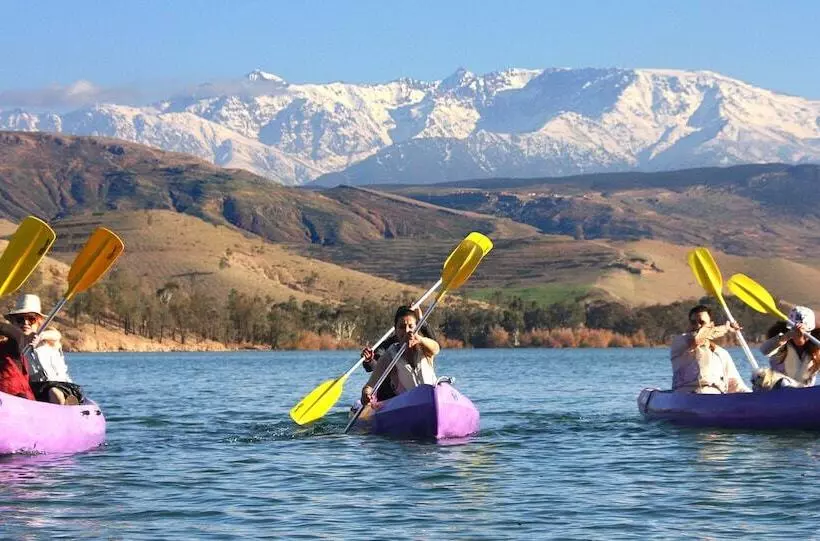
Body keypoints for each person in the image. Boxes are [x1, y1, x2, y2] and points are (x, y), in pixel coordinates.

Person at [6, 294, 83, 405]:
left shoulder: (49, 338)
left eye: (31, 319)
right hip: (35, 389)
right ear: (14, 323)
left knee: (54, 392)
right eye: (20, 320)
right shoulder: (13, 345)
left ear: (38, 321)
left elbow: (56, 335)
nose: (25, 323)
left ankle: (66, 407)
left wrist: (40, 336)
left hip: (61, 385)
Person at [360, 305, 441, 406]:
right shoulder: (389, 353)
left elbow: (436, 348)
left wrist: (419, 338)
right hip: (403, 403)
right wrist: (366, 393)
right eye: (402, 327)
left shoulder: (425, 347)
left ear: (417, 327)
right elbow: (370, 384)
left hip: (432, 399)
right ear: (396, 329)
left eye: (411, 326)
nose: (407, 330)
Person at [669, 304, 750, 393]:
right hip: (686, 394)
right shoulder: (680, 342)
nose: (697, 326)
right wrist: (726, 328)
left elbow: (735, 384)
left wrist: (754, 396)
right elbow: (698, 338)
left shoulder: (721, 353)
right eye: (693, 322)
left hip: (716, 396)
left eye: (702, 322)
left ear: (711, 325)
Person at [758, 306, 818, 387]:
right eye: (795, 331)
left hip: (804, 392)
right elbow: (764, 350)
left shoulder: (816, 348)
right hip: (778, 389)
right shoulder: (781, 343)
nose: (799, 334)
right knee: (760, 376)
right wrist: (786, 336)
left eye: (805, 331)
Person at [0, 322, 35, 400]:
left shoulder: (9, 347)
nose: (25, 323)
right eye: (20, 320)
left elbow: (18, 338)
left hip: (18, 401)